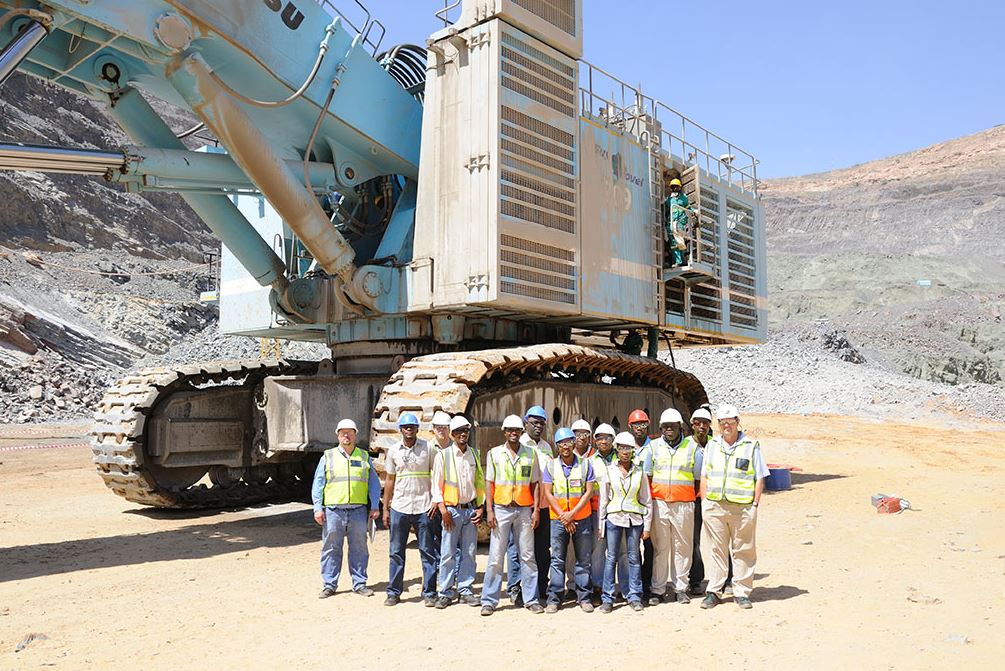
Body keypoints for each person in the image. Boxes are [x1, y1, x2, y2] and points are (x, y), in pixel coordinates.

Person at [699, 404, 768, 610]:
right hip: (715, 507)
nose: (727, 426)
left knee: (743, 550)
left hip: (742, 508)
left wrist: (754, 504)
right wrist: (705, 502)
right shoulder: (712, 445)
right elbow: (704, 475)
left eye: (730, 422)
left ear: (738, 422)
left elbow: (759, 477)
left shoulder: (751, 446)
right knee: (717, 550)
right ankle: (714, 591)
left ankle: (742, 592)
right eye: (723, 423)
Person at [481, 414, 543, 615]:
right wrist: (489, 511)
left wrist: (536, 510)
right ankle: (489, 600)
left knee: (527, 555)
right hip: (501, 509)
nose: (513, 433)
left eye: (517, 430)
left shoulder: (530, 454)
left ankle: (531, 599)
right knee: (496, 556)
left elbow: (535, 484)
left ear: (521, 431)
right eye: (510, 430)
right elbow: (489, 484)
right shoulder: (494, 454)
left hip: (524, 509)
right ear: (504, 432)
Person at [312, 418, 381, 598]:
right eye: (343, 432)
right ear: (338, 435)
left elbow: (374, 483)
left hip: (358, 511)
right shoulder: (328, 456)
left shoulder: (364, 456)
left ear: (355, 435)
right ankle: (329, 584)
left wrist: (375, 504)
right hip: (334, 511)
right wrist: (317, 508)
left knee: (359, 549)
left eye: (350, 432)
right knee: (331, 549)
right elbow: (318, 484)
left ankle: (359, 583)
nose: (346, 435)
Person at [381, 413, 438, 607]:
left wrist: (436, 500)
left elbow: (437, 474)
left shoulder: (428, 448)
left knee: (428, 552)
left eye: (412, 427)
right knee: (396, 552)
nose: (409, 430)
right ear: (400, 429)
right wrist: (385, 508)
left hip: (424, 507)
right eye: (405, 427)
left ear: (417, 429)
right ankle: (393, 592)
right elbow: (390, 480)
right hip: (400, 507)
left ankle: (429, 593)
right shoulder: (393, 451)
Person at [647, 408, 702, 605]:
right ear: (661, 427)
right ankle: (658, 590)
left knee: (683, 548)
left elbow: (698, 479)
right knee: (660, 548)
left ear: (680, 427)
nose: (669, 429)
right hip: (659, 503)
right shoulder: (653, 447)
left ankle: (681, 589)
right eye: (665, 426)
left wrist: (686, 496)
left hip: (684, 505)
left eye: (673, 426)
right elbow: (648, 477)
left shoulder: (693, 448)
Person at [430, 415, 484, 609]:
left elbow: (479, 482)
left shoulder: (474, 454)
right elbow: (436, 486)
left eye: (466, 431)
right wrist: (443, 510)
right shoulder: (443, 456)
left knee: (469, 553)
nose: (463, 434)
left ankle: (465, 590)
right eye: (459, 431)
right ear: (452, 434)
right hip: (451, 511)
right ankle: (445, 592)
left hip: (470, 510)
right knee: (448, 553)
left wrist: (481, 507)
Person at [543, 428, 596, 613]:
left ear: (574, 443)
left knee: (583, 560)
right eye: (561, 443)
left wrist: (572, 514)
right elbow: (548, 493)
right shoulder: (550, 466)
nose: (565, 447)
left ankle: (584, 597)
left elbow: (589, 492)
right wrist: (564, 516)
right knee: (557, 560)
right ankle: (554, 598)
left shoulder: (585, 464)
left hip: (581, 518)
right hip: (558, 520)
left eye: (568, 442)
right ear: (557, 446)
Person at [598, 432, 652, 613]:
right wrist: (601, 524)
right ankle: (607, 598)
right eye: (621, 448)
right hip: (613, 519)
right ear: (617, 450)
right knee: (611, 558)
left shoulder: (639, 472)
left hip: (634, 520)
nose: (625, 452)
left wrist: (647, 526)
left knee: (634, 557)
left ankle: (634, 596)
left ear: (632, 451)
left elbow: (647, 500)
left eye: (628, 448)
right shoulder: (609, 471)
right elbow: (604, 500)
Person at [506, 405, 553, 605]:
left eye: (541, 423)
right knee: (518, 549)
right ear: (526, 423)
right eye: (534, 423)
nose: (538, 426)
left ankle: (541, 586)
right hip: (523, 505)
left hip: (544, 506)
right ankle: (516, 587)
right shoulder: (520, 444)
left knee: (542, 549)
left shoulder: (547, 447)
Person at [589, 424, 626, 602]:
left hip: (619, 510)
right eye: (599, 438)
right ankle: (599, 587)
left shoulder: (621, 459)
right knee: (598, 550)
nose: (603, 441)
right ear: (595, 440)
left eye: (607, 438)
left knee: (622, 550)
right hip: (597, 511)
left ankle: (625, 589)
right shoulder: (590, 461)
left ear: (613, 440)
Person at [627, 409, 655, 599]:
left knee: (651, 546)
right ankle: (634, 585)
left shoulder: (654, 447)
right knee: (632, 549)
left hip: (650, 502)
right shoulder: (624, 446)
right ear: (630, 426)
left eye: (643, 424)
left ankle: (648, 584)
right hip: (630, 504)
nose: (640, 428)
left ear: (648, 425)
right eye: (636, 425)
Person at [686, 407, 712, 596]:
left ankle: (727, 578)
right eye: (698, 423)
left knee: (719, 539)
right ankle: (696, 580)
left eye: (705, 423)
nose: (701, 426)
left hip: (713, 498)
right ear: (692, 425)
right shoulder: (686, 445)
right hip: (693, 499)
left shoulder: (716, 444)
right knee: (693, 540)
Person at [663, 177, 694, 267]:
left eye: (676, 186)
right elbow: (666, 212)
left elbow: (688, 208)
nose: (675, 188)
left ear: (680, 187)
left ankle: (682, 260)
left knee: (680, 241)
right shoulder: (669, 200)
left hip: (680, 221)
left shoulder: (684, 198)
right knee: (673, 243)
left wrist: (694, 211)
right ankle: (677, 261)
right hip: (671, 223)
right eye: (673, 187)